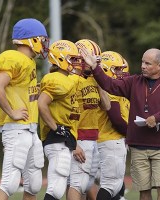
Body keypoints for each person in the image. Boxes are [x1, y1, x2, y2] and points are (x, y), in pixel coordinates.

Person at [81, 48, 160, 200]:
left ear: (159, 65)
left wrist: (157, 117)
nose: (143, 66)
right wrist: (95, 68)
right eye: (142, 62)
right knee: (143, 191)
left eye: (148, 63)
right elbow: (110, 85)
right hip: (138, 146)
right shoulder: (134, 81)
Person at [0, 18, 48, 200]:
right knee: (9, 183)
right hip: (16, 129)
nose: (44, 44)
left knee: (33, 185)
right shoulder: (13, 58)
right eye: (42, 39)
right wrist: (12, 112)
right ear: (31, 39)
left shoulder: (28, 61)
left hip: (30, 129)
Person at [67, 39, 111, 200]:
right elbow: (63, 115)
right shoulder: (71, 80)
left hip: (93, 138)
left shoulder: (94, 78)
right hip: (79, 136)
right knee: (76, 183)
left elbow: (107, 106)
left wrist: (99, 78)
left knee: (86, 184)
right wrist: (73, 142)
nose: (93, 63)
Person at [38, 40, 81, 200]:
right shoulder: (56, 79)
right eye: (73, 58)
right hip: (56, 138)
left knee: (59, 187)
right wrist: (56, 127)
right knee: (56, 188)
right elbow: (42, 104)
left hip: (63, 138)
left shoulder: (66, 78)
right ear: (60, 58)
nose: (76, 62)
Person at [96, 51, 130, 200]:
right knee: (111, 185)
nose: (121, 73)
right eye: (117, 69)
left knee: (114, 185)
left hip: (106, 140)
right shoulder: (109, 90)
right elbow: (117, 120)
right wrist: (135, 133)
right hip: (110, 139)